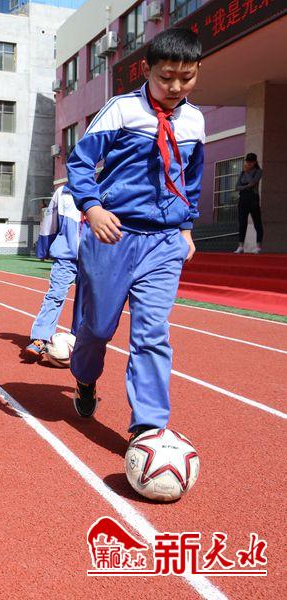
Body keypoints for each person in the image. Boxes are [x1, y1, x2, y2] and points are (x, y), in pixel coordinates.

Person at [65, 28, 205, 441]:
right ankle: (86, 378)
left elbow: (191, 180)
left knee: (152, 334)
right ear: (147, 70)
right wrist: (93, 208)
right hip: (113, 235)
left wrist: (186, 228)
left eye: (187, 77)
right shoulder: (121, 111)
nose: (176, 87)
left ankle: (148, 427)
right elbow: (79, 164)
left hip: (163, 242)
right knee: (98, 329)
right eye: (166, 77)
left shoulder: (194, 121)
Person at [22, 185, 81, 362]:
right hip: (65, 256)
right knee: (55, 295)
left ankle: (80, 342)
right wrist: (43, 247)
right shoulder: (63, 193)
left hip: (94, 259)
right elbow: (50, 222)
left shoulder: (103, 188)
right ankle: (40, 338)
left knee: (87, 302)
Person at [235, 152, 263, 254]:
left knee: (257, 222)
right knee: (242, 222)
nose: (248, 163)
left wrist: (247, 172)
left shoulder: (258, 171)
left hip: (253, 199)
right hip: (243, 199)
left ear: (255, 162)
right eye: (247, 161)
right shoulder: (242, 173)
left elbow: (253, 182)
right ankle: (240, 246)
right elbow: (236, 187)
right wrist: (246, 186)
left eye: (250, 162)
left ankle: (258, 245)